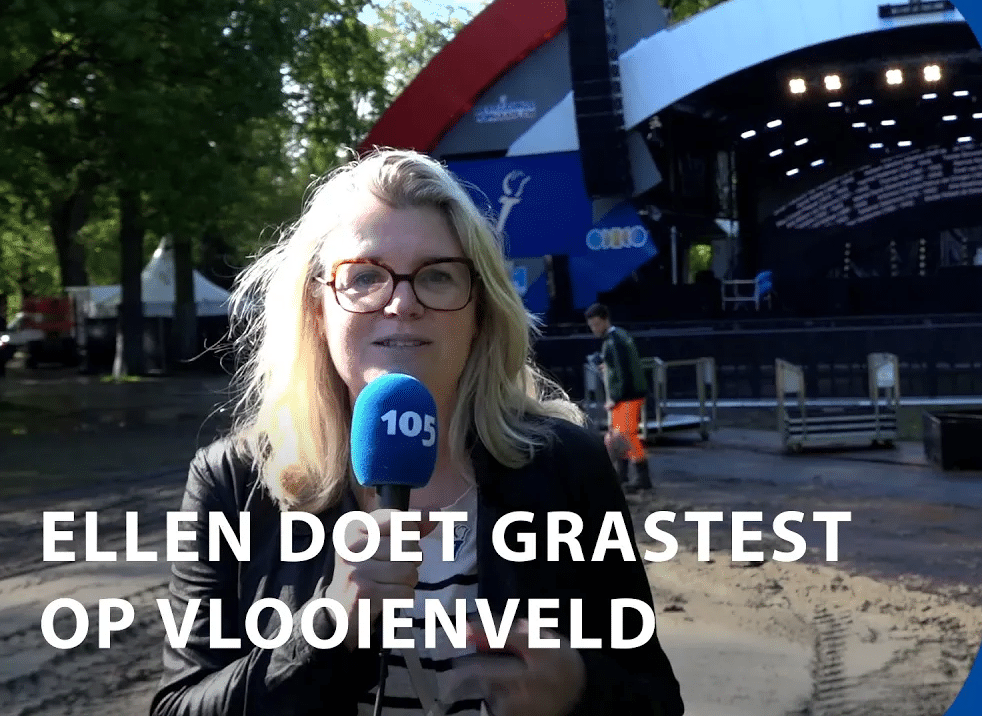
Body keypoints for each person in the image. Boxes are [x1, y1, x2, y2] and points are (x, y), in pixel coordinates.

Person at [150, 149, 683, 716]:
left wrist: (579, 688)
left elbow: (653, 699)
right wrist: (324, 631)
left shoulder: (567, 467)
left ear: (479, 310)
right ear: (316, 308)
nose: (402, 302)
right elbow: (178, 708)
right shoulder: (232, 482)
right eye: (364, 276)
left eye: (437, 276)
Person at [583, 304, 652, 493]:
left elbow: (623, 372)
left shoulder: (613, 341)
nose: (594, 329)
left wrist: (615, 397)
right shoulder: (619, 336)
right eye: (592, 326)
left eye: (596, 324)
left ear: (605, 320)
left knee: (626, 435)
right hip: (630, 394)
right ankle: (624, 475)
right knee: (620, 435)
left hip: (627, 396)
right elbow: (622, 366)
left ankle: (640, 477)